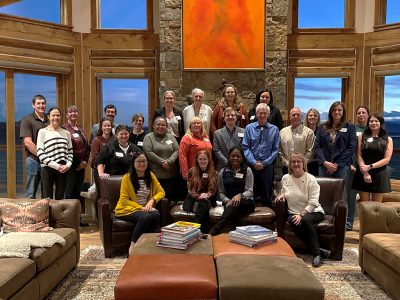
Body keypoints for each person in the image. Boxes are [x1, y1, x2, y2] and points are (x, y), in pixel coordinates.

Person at [275, 153, 330, 268]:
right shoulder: (286, 178)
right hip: (293, 212)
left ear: (303, 164)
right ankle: (318, 250)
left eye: (298, 161)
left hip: (313, 211)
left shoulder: (311, 179)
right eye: (293, 162)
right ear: (290, 165)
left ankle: (317, 255)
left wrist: (301, 214)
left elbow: (314, 202)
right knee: (292, 220)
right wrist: (282, 195)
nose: (296, 164)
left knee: (304, 220)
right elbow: (286, 191)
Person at [115, 152, 165, 255]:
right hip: (127, 209)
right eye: (138, 161)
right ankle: (133, 245)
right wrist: (141, 208)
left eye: (144, 161)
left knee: (156, 214)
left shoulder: (150, 176)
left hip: (145, 209)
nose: (142, 164)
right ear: (133, 163)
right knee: (145, 217)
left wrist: (152, 201)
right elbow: (124, 200)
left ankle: (150, 244)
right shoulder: (127, 178)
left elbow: (161, 192)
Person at [315, 101, 356, 199]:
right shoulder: (322, 127)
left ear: (343, 112)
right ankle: (323, 214)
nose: (337, 112)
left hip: (342, 166)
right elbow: (317, 146)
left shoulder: (350, 127)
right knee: (323, 193)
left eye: (339, 110)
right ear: (330, 112)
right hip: (324, 166)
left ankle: (341, 214)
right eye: (334, 110)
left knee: (340, 193)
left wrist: (336, 164)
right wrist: (325, 162)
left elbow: (351, 148)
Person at [209, 147, 254, 236]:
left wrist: (240, 196)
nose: (235, 158)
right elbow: (221, 193)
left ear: (242, 158)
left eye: (238, 156)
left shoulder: (247, 170)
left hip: (245, 203)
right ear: (229, 157)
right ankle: (250, 234)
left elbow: (250, 191)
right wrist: (227, 200)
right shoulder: (223, 171)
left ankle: (212, 233)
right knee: (232, 212)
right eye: (233, 156)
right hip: (229, 203)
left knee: (232, 207)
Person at [242, 103, 280, 207]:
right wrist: (254, 162)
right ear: (256, 114)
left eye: (264, 113)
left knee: (266, 195)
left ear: (268, 115)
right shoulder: (249, 128)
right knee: (251, 193)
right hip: (251, 166)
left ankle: (267, 220)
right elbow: (245, 147)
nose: (262, 115)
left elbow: (275, 149)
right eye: (260, 113)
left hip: (267, 167)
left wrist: (265, 163)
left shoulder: (274, 129)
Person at [352, 114, 393, 202]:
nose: (373, 123)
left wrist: (370, 166)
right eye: (371, 121)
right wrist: (365, 171)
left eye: (376, 121)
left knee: (376, 207)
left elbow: (387, 159)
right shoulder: (361, 137)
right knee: (364, 206)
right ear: (368, 123)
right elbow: (359, 155)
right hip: (363, 173)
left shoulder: (388, 139)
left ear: (381, 123)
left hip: (379, 173)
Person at [37, 107, 73, 199]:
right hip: (47, 168)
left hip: (63, 169)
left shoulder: (66, 133)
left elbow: (70, 152)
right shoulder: (42, 132)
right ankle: (47, 214)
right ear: (48, 117)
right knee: (46, 197)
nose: (55, 117)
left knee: (60, 197)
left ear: (60, 117)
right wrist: (56, 166)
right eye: (53, 115)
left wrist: (68, 165)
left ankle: (57, 214)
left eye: (58, 115)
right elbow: (40, 153)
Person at [20, 94, 49, 198]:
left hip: (48, 162)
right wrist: (43, 156)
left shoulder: (50, 120)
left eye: (43, 103)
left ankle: (45, 214)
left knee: (47, 193)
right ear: (33, 105)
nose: (41, 105)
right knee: (31, 193)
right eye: (38, 103)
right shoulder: (27, 120)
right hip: (33, 160)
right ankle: (29, 214)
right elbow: (28, 142)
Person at [143, 117, 179, 201]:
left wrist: (169, 161)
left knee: (168, 200)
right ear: (153, 126)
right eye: (158, 124)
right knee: (155, 200)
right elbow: (148, 152)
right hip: (155, 176)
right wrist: (163, 162)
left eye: (163, 125)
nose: (160, 127)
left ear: (166, 127)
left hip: (170, 175)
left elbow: (177, 150)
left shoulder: (171, 137)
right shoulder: (149, 137)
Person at [182, 150, 217, 233]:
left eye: (205, 159)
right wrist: (198, 196)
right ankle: (205, 233)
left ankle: (195, 229)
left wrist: (207, 195)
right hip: (193, 198)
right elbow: (190, 189)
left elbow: (213, 189)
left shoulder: (214, 172)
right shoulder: (191, 171)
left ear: (208, 160)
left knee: (203, 203)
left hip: (208, 198)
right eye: (200, 159)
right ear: (197, 160)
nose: (203, 161)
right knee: (203, 205)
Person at [347, 105, 369, 230]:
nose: (361, 115)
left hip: (369, 168)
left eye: (363, 112)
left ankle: (368, 224)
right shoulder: (352, 129)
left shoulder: (373, 128)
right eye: (359, 113)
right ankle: (349, 223)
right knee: (351, 195)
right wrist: (351, 163)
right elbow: (349, 148)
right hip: (353, 167)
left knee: (367, 196)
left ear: (367, 114)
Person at [279, 107, 315, 175]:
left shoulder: (309, 132)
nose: (296, 117)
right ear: (290, 117)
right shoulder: (282, 132)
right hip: (286, 168)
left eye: (298, 115)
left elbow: (311, 152)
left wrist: (300, 164)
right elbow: (280, 151)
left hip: (303, 169)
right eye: (293, 115)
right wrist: (288, 164)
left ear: (301, 117)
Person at [213, 107, 245, 171]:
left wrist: (237, 162)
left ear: (236, 118)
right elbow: (216, 150)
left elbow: (245, 148)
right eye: (227, 115)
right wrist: (227, 162)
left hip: (239, 167)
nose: (230, 117)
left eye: (233, 115)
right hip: (222, 166)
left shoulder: (243, 132)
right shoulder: (217, 133)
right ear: (224, 119)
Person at [90, 117, 113, 205]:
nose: (107, 127)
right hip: (99, 171)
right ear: (101, 127)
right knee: (100, 194)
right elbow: (95, 157)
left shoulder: (114, 139)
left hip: (111, 171)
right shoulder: (97, 140)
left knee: (110, 194)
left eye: (109, 126)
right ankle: (99, 217)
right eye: (105, 126)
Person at [304, 108, 321, 176]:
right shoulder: (302, 131)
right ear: (307, 117)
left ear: (318, 118)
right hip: (305, 162)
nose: (312, 117)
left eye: (315, 115)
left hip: (317, 162)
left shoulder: (321, 131)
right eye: (310, 115)